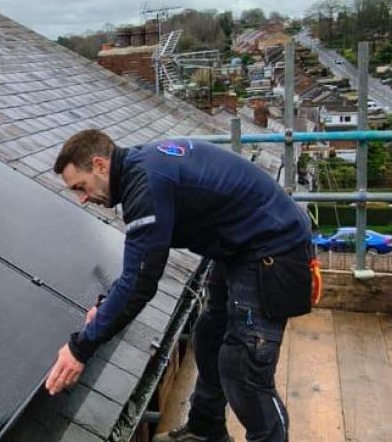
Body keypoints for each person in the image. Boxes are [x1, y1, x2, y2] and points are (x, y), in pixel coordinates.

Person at [44, 130, 313, 442]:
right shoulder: (140, 170)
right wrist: (106, 305)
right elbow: (139, 264)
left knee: (244, 370)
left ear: (101, 166)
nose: (83, 198)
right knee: (209, 336)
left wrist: (80, 348)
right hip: (240, 248)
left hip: (272, 249)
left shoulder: (144, 184)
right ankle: (206, 429)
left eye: (81, 187)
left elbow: (140, 285)